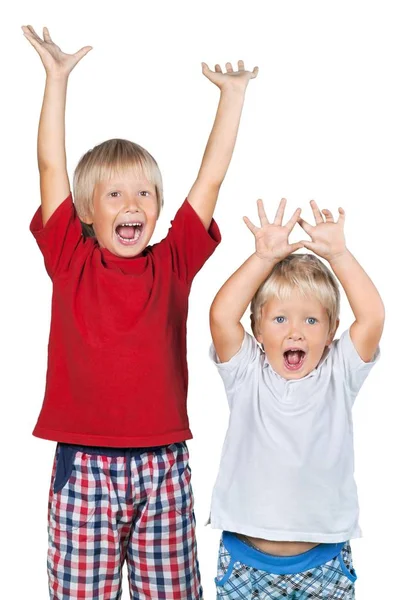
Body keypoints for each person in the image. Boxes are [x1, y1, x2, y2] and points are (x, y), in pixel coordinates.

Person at [22, 23, 258, 600]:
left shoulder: (172, 262)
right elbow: (52, 169)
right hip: (85, 469)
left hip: (164, 464)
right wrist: (56, 80)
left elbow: (211, 179)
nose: (133, 205)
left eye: (145, 194)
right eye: (115, 195)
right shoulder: (70, 259)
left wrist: (232, 99)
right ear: (87, 211)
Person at [209, 197, 384, 598]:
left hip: (323, 565)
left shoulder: (339, 371)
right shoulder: (246, 371)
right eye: (280, 318)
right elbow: (221, 316)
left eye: (310, 320)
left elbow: (372, 317)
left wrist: (339, 255)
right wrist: (262, 258)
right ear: (257, 326)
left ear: (331, 328)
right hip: (246, 563)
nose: (296, 333)